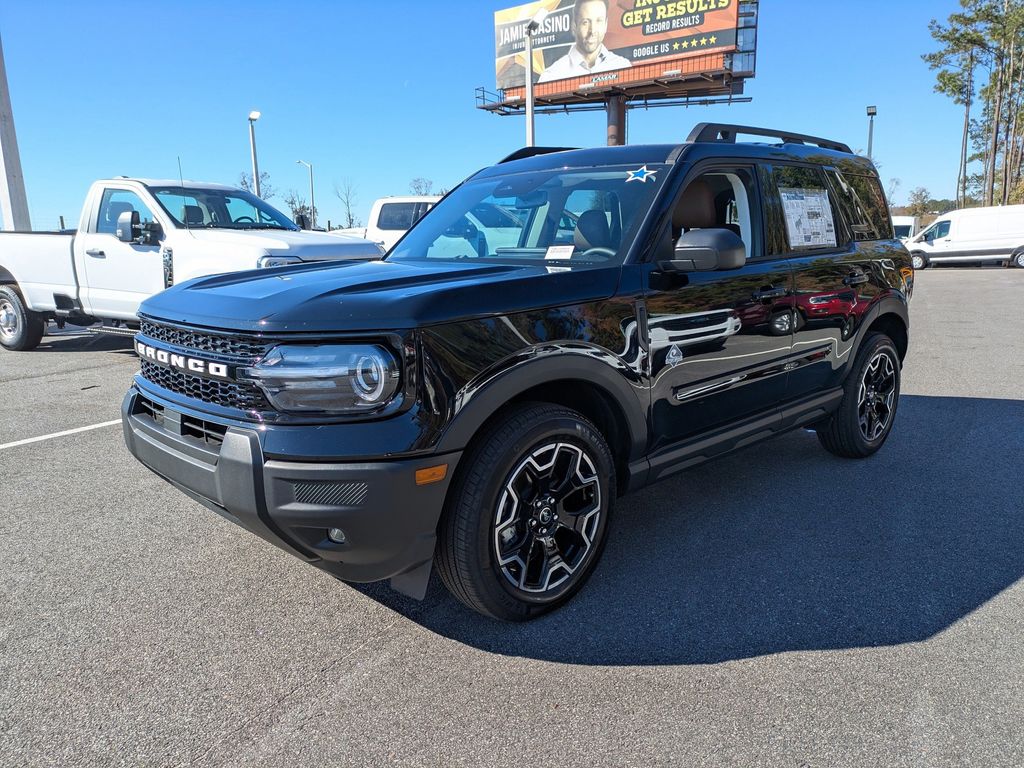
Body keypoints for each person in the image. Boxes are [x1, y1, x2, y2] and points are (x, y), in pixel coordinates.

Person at [538, 0, 632, 83]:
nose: (592, 30)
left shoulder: (622, 66)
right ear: (574, 25)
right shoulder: (551, 76)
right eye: (585, 22)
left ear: (606, 24)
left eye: (599, 21)